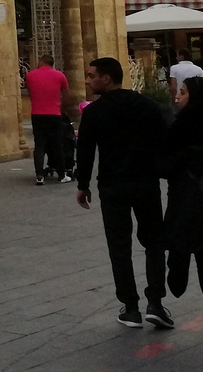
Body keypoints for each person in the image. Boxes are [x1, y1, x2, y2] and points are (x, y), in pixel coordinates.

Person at [76, 56, 173, 330]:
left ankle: (130, 308)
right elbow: (164, 141)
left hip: (112, 186)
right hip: (145, 183)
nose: (87, 79)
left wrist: (83, 184)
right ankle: (155, 302)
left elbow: (85, 150)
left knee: (119, 246)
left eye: (91, 74)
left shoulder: (94, 112)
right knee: (153, 241)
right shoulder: (147, 106)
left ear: (106, 78)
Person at [163, 75, 203, 297]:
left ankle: (177, 280)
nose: (177, 96)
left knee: (181, 241)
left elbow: (166, 162)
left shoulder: (180, 126)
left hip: (184, 198)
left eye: (184, 91)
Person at [25, 56, 73, 185]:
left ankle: (39, 175)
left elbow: (30, 93)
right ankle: (62, 175)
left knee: (39, 145)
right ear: (52, 63)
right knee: (57, 145)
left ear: (41, 62)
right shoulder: (60, 76)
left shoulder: (30, 75)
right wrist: (62, 108)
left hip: (37, 114)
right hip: (54, 114)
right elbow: (67, 95)